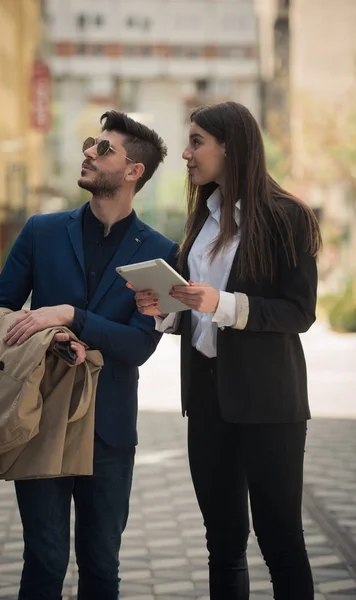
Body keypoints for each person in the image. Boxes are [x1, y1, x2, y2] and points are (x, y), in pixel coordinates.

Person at [0, 111, 179, 600]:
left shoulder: (163, 253)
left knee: (100, 566)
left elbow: (139, 347)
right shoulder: (40, 231)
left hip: (108, 431)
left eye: (103, 148)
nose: (88, 152)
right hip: (37, 416)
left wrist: (71, 316)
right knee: (43, 563)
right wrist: (49, 336)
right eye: (91, 143)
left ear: (134, 171)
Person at [130, 101, 322, 600]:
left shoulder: (287, 217)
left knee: (281, 541)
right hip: (208, 402)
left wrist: (224, 304)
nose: (186, 154)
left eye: (196, 142)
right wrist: (164, 310)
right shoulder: (202, 219)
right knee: (223, 544)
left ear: (229, 148)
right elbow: (194, 312)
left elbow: (299, 313)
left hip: (269, 406)